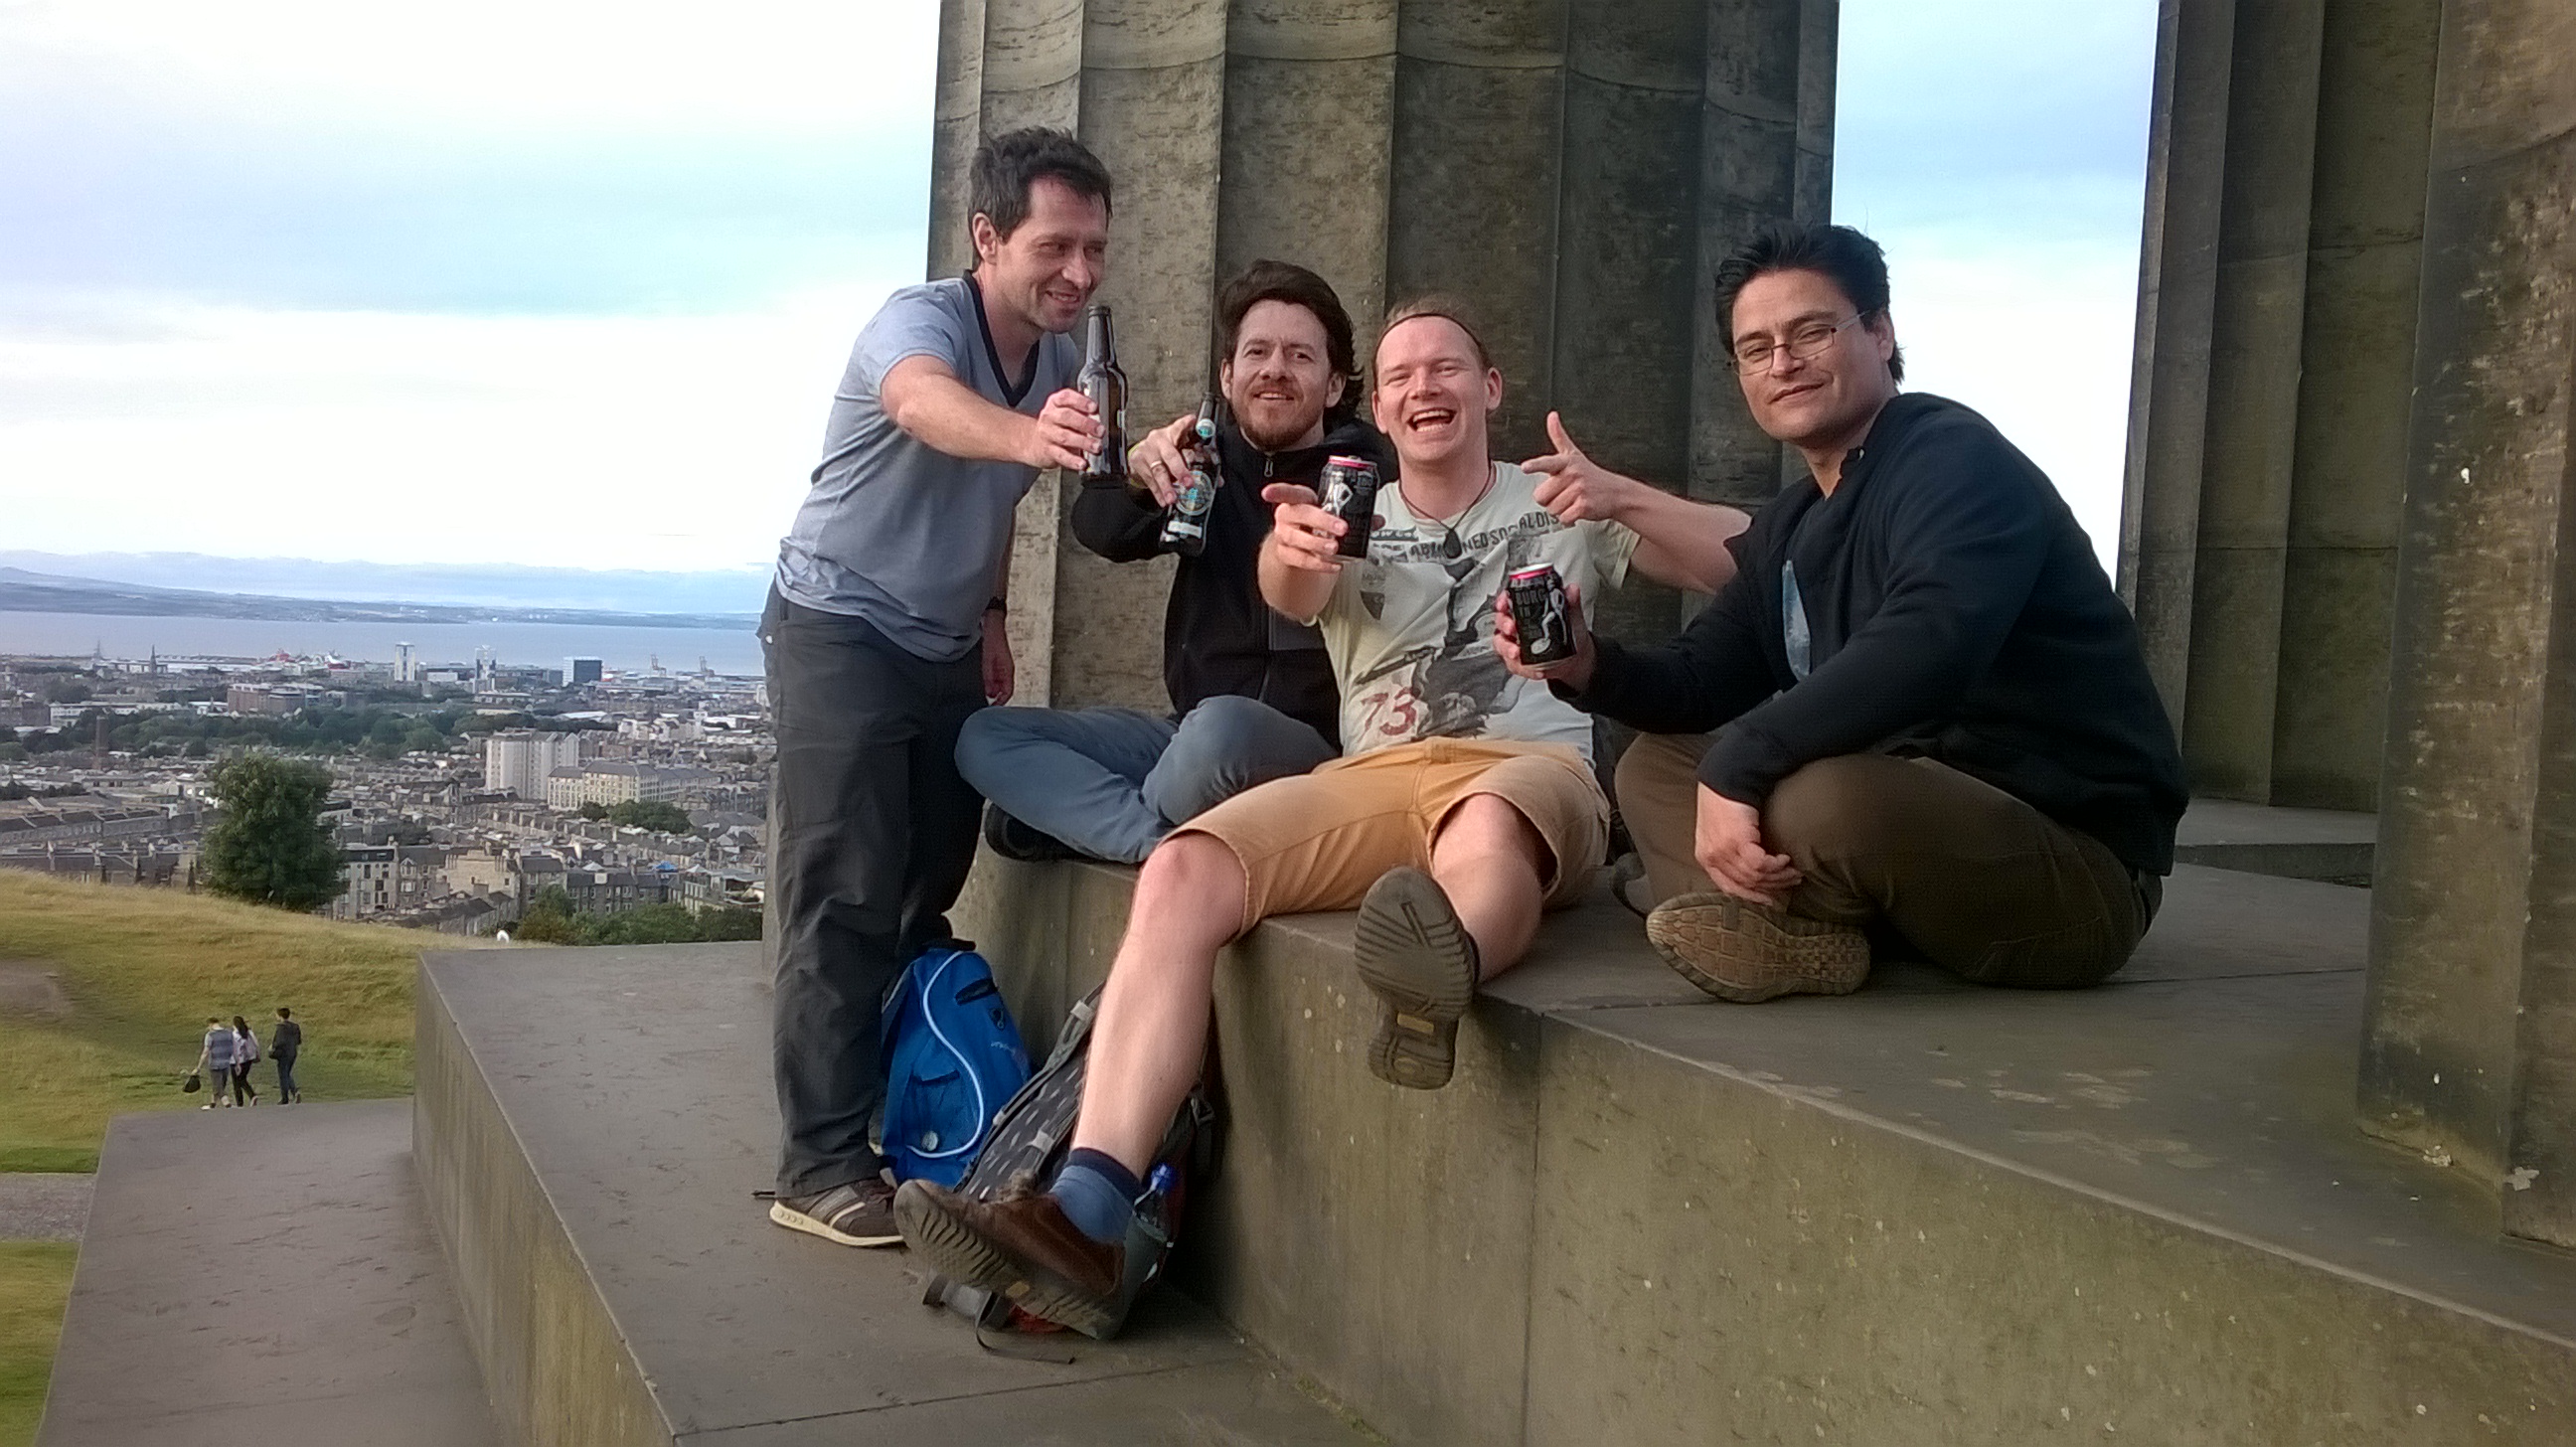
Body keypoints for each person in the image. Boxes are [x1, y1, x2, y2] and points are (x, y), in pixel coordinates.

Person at [895, 298, 1752, 1329]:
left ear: (1490, 392)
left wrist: (1623, 494)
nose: (1423, 386)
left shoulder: (1564, 502)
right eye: (1401, 376)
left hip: (1530, 761)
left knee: (1484, 832)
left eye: (1447, 368)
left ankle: (1441, 968)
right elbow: (1289, 587)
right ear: (1378, 410)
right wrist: (1291, 549)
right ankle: (1085, 1211)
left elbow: (1740, 562)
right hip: (1372, 775)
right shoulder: (1351, 513)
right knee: (1183, 870)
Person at [1502, 221, 2186, 1002]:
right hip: (1906, 824)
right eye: (1756, 350)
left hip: (2070, 863)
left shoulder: (1951, 458)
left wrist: (1744, 762)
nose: (1783, 363)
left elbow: (1935, 637)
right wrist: (1584, 664)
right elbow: (1699, 681)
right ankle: (1801, 938)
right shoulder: (1794, 524)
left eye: (1811, 333)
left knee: (1819, 800)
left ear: (1881, 331)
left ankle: (1756, 917)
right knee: (1660, 766)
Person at [762, 127, 1112, 1249]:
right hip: (839, 624)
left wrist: (996, 617)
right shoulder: (915, 325)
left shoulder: (1058, 358)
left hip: (946, 639)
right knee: (844, 886)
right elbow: (923, 408)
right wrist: (1030, 433)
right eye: (1055, 245)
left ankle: (895, 1109)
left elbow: (1001, 498)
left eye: (1095, 250)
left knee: (927, 878)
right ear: (986, 236)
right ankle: (816, 1164)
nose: (1079, 273)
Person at [957, 259, 1392, 864]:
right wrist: (1136, 475)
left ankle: (1092, 822)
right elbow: (1100, 532)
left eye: (1299, 356)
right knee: (983, 737)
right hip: (1182, 733)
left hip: (1306, 748)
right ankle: (1155, 841)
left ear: (1335, 384)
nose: (1274, 370)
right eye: (1257, 352)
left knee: (1222, 730)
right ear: (1228, 372)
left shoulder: (1373, 478)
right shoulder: (1204, 460)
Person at [194, 1018, 236, 1108]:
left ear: (210, 1024)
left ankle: (227, 1104)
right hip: (226, 1062)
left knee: (217, 1085)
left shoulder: (210, 1035)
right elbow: (233, 1048)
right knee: (220, 1084)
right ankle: (213, 1104)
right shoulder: (229, 1033)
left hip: (215, 1063)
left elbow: (206, 1052)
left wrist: (198, 1067)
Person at [270, 1007, 303, 1104]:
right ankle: (294, 1092)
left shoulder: (281, 1027)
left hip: (283, 1053)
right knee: (287, 1073)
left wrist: (272, 1047)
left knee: (283, 1075)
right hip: (293, 1052)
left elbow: (279, 1041)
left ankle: (285, 1097)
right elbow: (299, 1040)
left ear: (280, 1016)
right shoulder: (295, 1026)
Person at [230, 1015, 261, 1106]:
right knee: (242, 1079)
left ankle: (242, 1101)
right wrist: (257, 1055)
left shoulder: (234, 1035)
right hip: (249, 1059)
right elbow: (256, 1044)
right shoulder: (249, 1033)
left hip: (237, 1061)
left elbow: (235, 1050)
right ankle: (251, 1096)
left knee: (237, 1082)